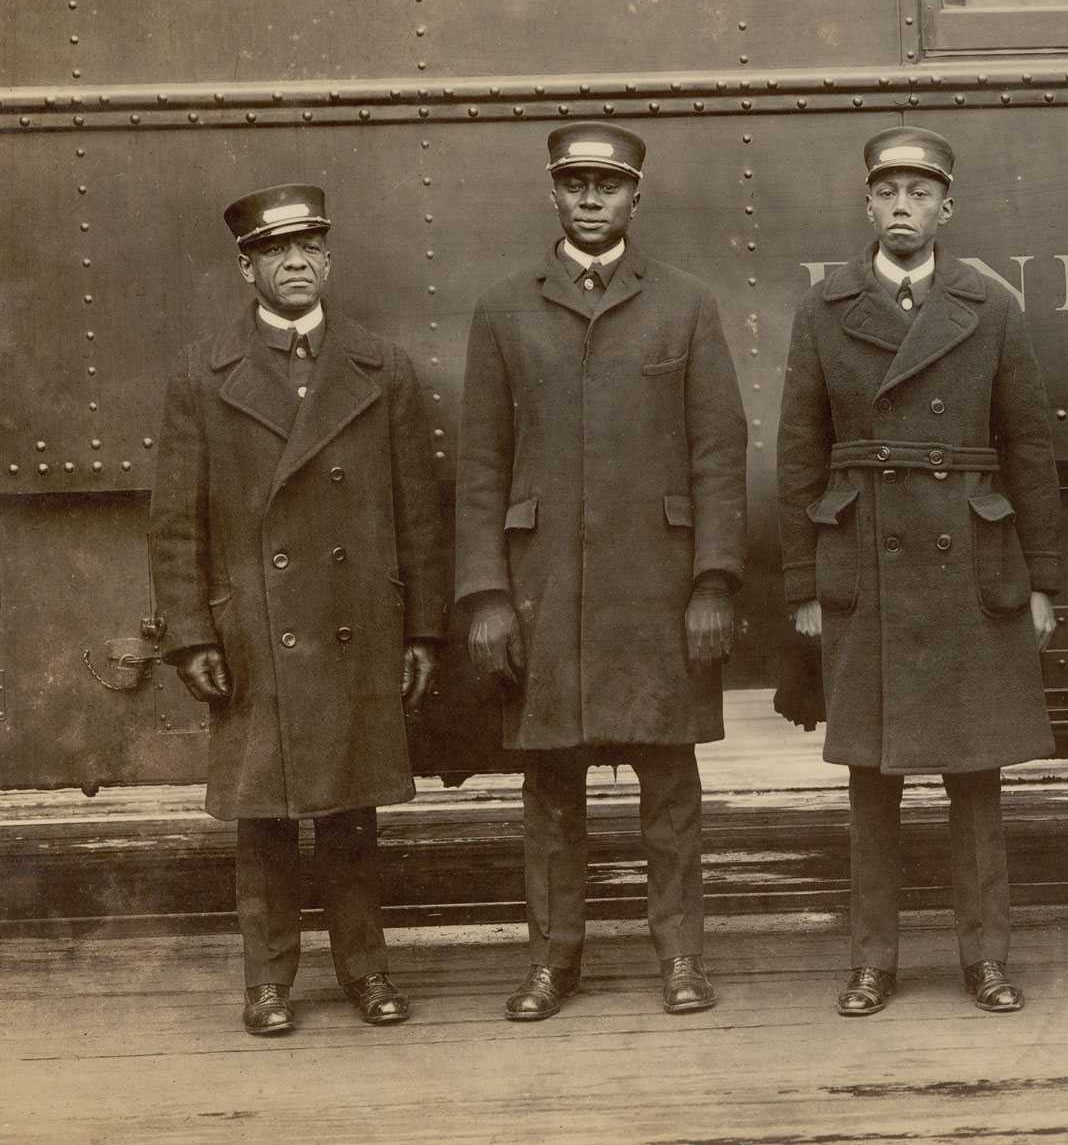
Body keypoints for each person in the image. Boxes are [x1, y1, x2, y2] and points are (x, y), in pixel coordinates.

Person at [455, 123, 746, 1021]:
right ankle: (554, 959)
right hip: (545, 588)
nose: (590, 199)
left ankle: (682, 955)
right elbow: (479, 465)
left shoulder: (685, 305)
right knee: (549, 786)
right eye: (575, 183)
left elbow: (718, 454)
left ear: (634, 197)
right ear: (553, 192)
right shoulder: (504, 309)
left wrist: (714, 581)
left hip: (657, 587)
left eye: (607, 185)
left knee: (670, 780)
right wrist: (489, 594)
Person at [779, 126, 1064, 1018]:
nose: (904, 207)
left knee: (977, 774)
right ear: (868, 206)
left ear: (947, 207)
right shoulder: (824, 310)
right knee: (873, 775)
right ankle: (874, 960)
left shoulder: (991, 305)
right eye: (889, 192)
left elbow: (1028, 447)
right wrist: (802, 585)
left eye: (921, 193)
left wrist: (1044, 580)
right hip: (866, 557)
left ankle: (986, 956)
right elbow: (798, 454)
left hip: (971, 559)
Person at [148, 184, 444, 1036]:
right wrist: (191, 632)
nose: (296, 264)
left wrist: (422, 627)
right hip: (256, 629)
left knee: (352, 807)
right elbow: (176, 522)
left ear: (329, 259)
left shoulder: (380, 366)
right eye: (277, 252)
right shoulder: (203, 373)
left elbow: (415, 512)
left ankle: (366, 971)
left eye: (311, 248)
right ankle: (268, 979)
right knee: (265, 817)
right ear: (248, 266)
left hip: (357, 618)